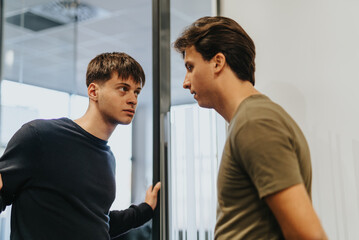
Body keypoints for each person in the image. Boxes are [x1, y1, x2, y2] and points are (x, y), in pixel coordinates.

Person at [174, 16, 327, 239]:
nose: (186, 82)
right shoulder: (249, 120)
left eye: (191, 67)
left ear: (218, 62)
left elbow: (308, 235)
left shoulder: (255, 122)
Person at [0, 52, 161, 239]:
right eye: (123, 89)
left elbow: (98, 223)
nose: (133, 99)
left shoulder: (108, 158)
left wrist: (145, 209)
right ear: (93, 92)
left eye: (137, 92)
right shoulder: (40, 136)